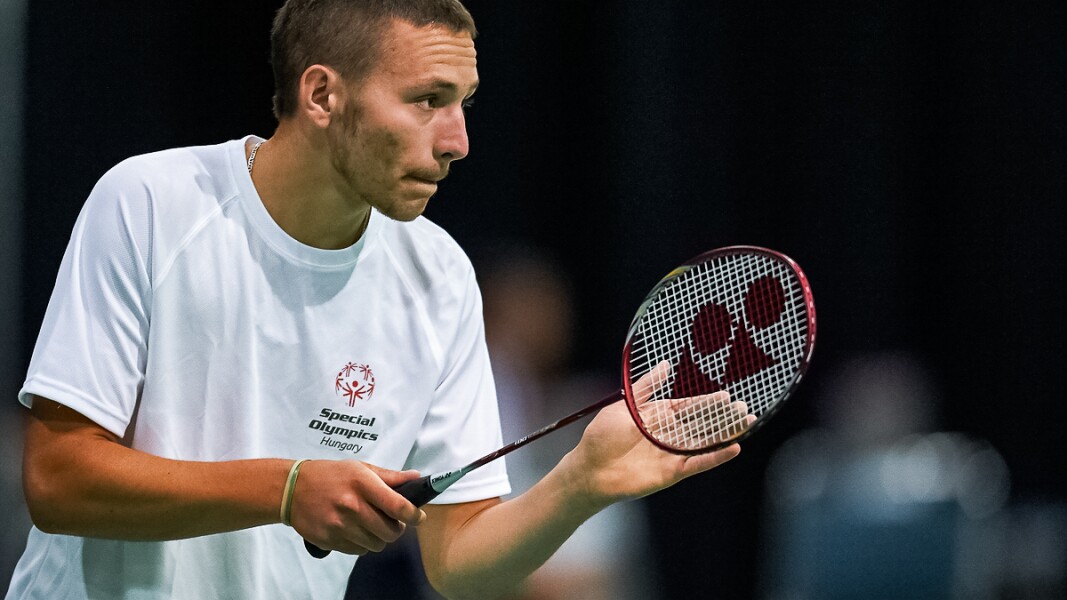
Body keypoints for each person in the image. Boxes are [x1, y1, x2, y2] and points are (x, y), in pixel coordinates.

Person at [7, 1, 745, 598]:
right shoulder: (151, 202)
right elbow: (57, 479)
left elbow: (457, 562)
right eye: (427, 100)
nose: (457, 140)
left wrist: (580, 485)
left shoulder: (440, 277)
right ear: (323, 94)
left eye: (464, 103)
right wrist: (288, 486)